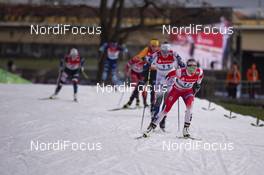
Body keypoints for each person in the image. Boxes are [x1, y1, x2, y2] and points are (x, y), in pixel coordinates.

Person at [144, 59, 203, 138]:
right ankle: (152, 127)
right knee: (166, 109)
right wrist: (163, 86)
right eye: (190, 67)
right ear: (186, 67)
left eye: (194, 67)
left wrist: (198, 85)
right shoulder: (180, 72)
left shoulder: (199, 72)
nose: (192, 69)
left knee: (190, 108)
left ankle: (186, 129)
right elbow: (168, 76)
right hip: (176, 90)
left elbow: (200, 78)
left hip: (188, 92)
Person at [147, 42, 185, 131]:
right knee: (158, 100)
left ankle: (162, 120)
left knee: (167, 100)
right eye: (163, 51)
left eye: (167, 51)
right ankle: (153, 120)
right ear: (161, 49)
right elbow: (148, 59)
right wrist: (147, 63)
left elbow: (181, 61)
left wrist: (181, 64)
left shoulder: (173, 54)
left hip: (170, 78)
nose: (165, 53)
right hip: (160, 79)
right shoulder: (157, 54)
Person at [123, 38, 160, 108]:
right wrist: (141, 59)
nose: (154, 48)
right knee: (139, 86)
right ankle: (130, 102)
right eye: (152, 46)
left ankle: (152, 104)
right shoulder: (147, 49)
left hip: (154, 72)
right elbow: (139, 56)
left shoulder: (159, 51)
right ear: (150, 45)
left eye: (155, 46)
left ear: (158, 46)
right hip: (146, 70)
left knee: (153, 89)